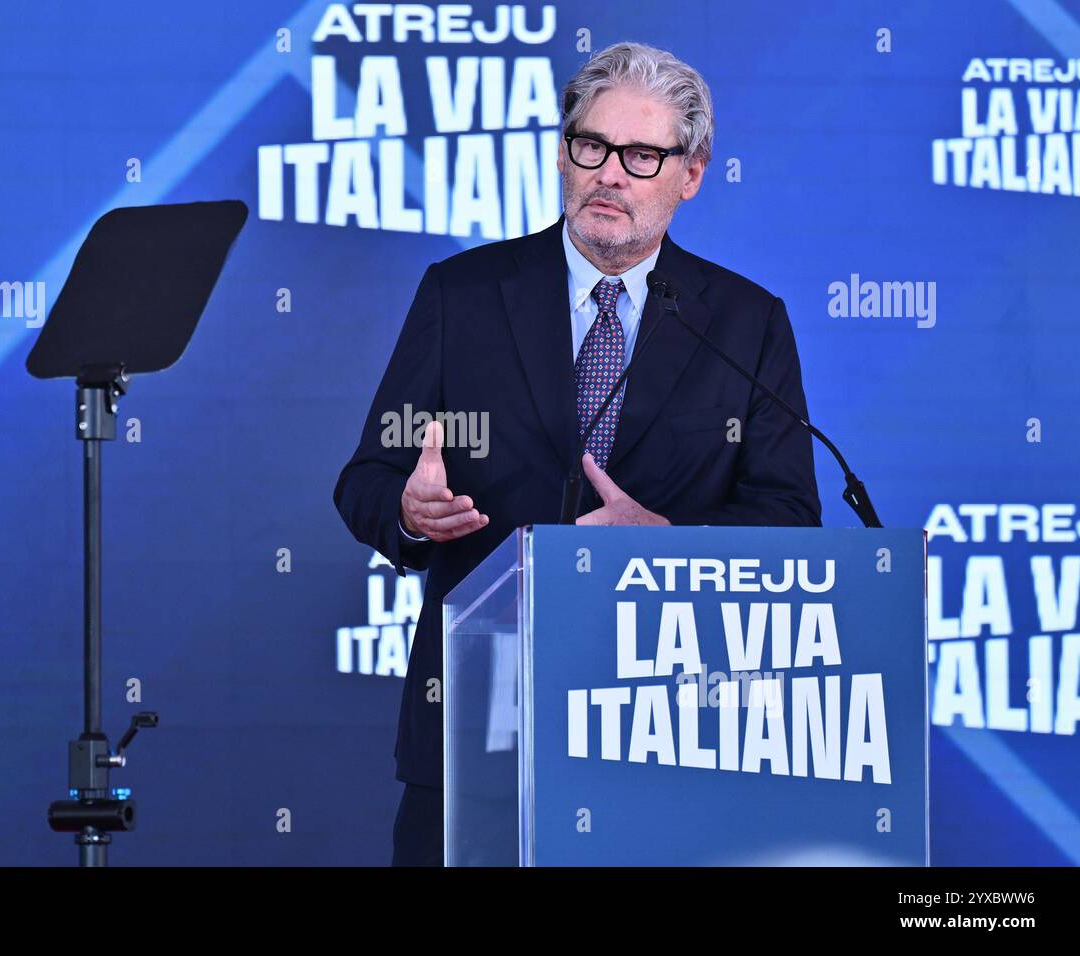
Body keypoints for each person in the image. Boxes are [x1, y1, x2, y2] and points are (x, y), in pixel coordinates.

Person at [333, 42, 821, 866]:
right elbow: (369, 481)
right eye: (590, 146)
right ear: (564, 153)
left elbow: (788, 517)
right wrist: (412, 517)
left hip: (668, 732)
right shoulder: (463, 294)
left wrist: (669, 539)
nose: (610, 174)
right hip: (479, 720)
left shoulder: (746, 321)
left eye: (642, 155)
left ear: (691, 173)